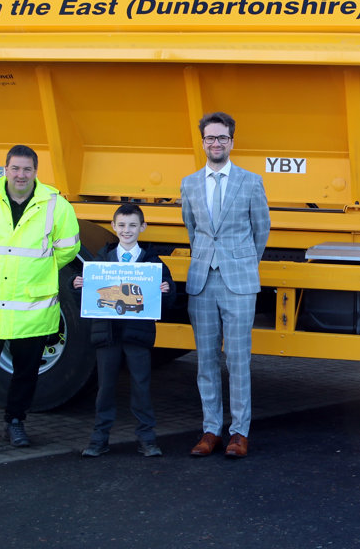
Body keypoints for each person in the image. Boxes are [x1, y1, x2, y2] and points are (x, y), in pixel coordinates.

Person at [0, 145, 80, 452]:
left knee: (25, 373)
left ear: (36, 172)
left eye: (27, 169)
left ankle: (15, 423)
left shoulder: (56, 205)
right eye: (15, 168)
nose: (21, 175)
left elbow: (68, 249)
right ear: (5, 169)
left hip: (32, 307)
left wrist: (37, 271)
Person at [180, 111, 270, 459]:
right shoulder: (189, 183)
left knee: (237, 359)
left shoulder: (251, 182)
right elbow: (192, 229)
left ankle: (239, 432)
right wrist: (208, 257)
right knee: (205, 360)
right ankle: (210, 430)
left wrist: (240, 261)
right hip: (202, 280)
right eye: (210, 138)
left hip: (238, 282)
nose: (215, 143)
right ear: (203, 142)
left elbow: (260, 231)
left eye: (222, 138)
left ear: (232, 142)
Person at [73, 203, 177, 458]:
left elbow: (167, 299)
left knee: (141, 386)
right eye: (121, 225)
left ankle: (147, 439)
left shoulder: (152, 262)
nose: (127, 230)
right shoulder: (101, 259)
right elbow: (86, 300)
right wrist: (76, 285)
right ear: (113, 227)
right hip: (107, 335)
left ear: (142, 227)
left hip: (137, 335)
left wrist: (167, 290)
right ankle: (99, 438)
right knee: (105, 388)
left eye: (132, 225)